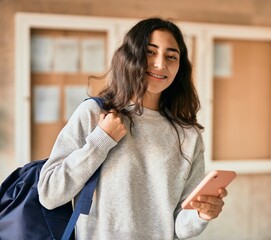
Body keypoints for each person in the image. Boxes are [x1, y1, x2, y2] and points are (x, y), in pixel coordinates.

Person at [38, 17, 229, 240]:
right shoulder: (94, 114)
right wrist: (101, 140)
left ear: (180, 67)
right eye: (150, 52)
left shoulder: (188, 135)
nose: (160, 64)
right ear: (131, 56)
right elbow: (49, 193)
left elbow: (180, 227)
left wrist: (201, 214)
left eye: (171, 56)